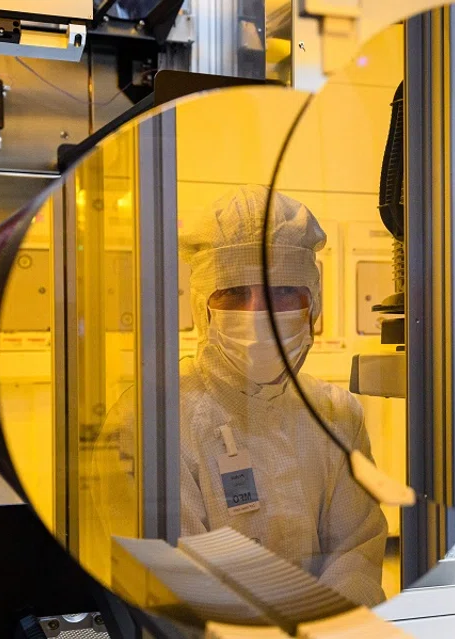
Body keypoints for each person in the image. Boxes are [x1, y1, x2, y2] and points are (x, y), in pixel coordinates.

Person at [174, 185, 388, 606]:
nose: (260, 315)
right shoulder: (160, 421)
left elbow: (356, 552)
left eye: (283, 291)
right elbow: (182, 587)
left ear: (313, 303)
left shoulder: (335, 414)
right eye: (235, 292)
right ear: (203, 307)